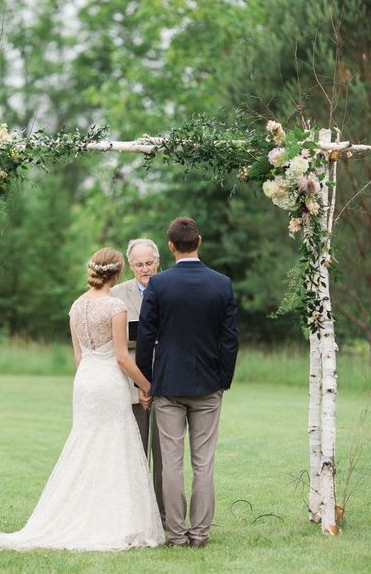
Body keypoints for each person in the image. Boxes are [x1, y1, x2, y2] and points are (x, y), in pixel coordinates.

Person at [0, 247, 164, 552]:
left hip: (85, 382)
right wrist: (146, 384)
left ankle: (84, 511)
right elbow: (121, 357)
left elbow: (79, 357)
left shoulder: (76, 306)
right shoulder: (115, 306)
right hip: (108, 382)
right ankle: (115, 519)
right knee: (115, 446)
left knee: (86, 445)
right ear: (118, 273)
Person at [136, 217, 239, 548]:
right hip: (209, 385)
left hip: (168, 386)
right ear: (199, 241)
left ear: (170, 246)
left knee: (171, 465)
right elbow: (229, 340)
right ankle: (201, 534)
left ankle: (176, 534)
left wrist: (147, 381)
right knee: (203, 464)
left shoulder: (159, 285)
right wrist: (223, 379)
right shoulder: (221, 284)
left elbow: (145, 337)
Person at [110, 238, 164, 523]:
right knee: (134, 452)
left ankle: (164, 515)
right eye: (139, 264)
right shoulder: (116, 294)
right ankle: (134, 515)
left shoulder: (170, 287)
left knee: (165, 458)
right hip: (131, 385)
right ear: (130, 266)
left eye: (149, 263)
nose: (145, 269)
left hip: (167, 381)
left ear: (158, 261)